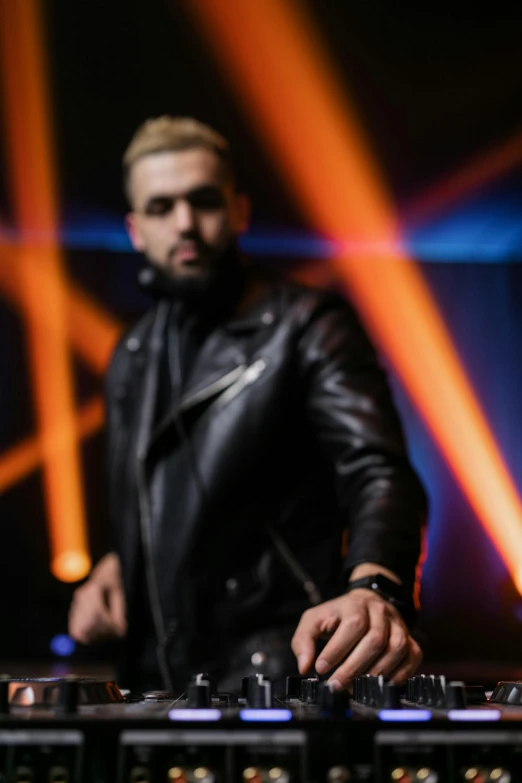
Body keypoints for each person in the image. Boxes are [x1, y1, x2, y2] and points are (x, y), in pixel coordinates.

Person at [69, 116, 426, 693]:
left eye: (203, 201)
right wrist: (121, 564)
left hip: (280, 675)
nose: (185, 223)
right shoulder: (130, 354)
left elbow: (378, 470)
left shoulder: (307, 324)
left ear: (238, 211)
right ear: (136, 229)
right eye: (161, 207)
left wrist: (376, 587)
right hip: (152, 687)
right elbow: (153, 497)